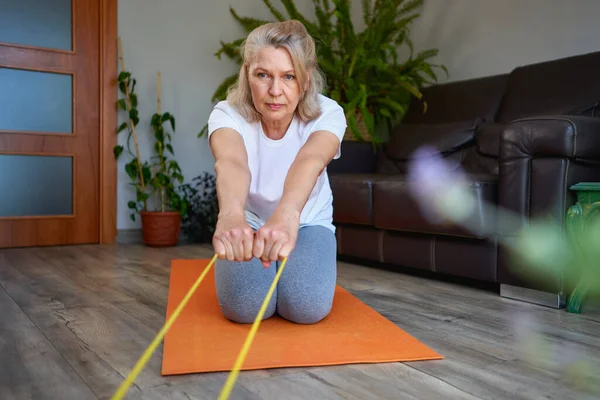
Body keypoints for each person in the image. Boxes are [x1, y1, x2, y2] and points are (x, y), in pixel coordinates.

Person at [206, 20, 347, 325]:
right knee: (244, 308)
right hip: (251, 223)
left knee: (306, 307)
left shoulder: (329, 113)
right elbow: (232, 162)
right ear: (247, 74)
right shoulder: (226, 114)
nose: (274, 91)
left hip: (307, 221)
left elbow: (310, 159)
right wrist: (230, 215)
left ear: (306, 79)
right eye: (262, 75)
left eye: (288, 76)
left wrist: (287, 216)